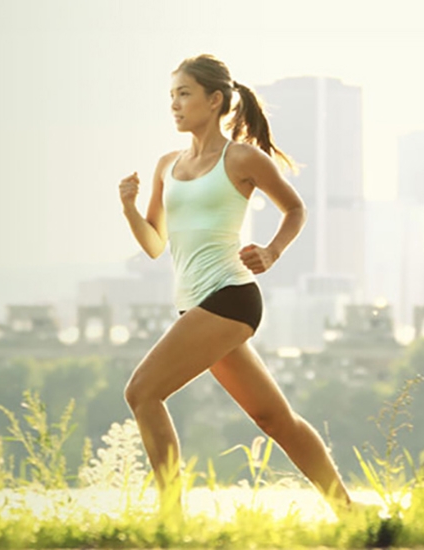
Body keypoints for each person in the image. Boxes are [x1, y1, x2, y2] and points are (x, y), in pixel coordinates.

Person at [116, 54, 354, 513]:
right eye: (171, 96)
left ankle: (170, 519)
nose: (175, 105)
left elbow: (295, 209)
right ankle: (346, 509)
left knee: (142, 391)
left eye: (184, 94)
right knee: (274, 417)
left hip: (230, 297)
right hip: (195, 305)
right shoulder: (167, 165)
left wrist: (271, 251)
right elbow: (153, 243)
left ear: (215, 99)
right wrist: (129, 208)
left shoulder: (241, 157)